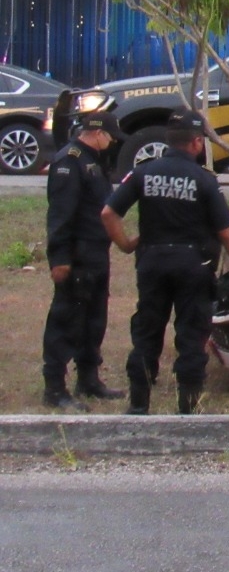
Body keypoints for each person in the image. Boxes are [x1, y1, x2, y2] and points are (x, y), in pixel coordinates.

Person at [101, 109, 229, 416]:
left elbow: (108, 213)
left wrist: (126, 244)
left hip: (152, 262)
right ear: (197, 143)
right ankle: (187, 407)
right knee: (191, 334)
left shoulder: (144, 172)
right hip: (192, 266)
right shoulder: (204, 180)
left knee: (147, 331)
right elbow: (228, 233)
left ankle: (139, 405)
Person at [41, 112, 127, 409]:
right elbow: (60, 215)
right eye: (111, 136)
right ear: (98, 132)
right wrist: (60, 257)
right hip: (77, 254)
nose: (113, 141)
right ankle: (54, 387)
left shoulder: (93, 159)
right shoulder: (71, 161)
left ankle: (88, 379)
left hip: (96, 252)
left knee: (93, 319)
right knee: (67, 319)